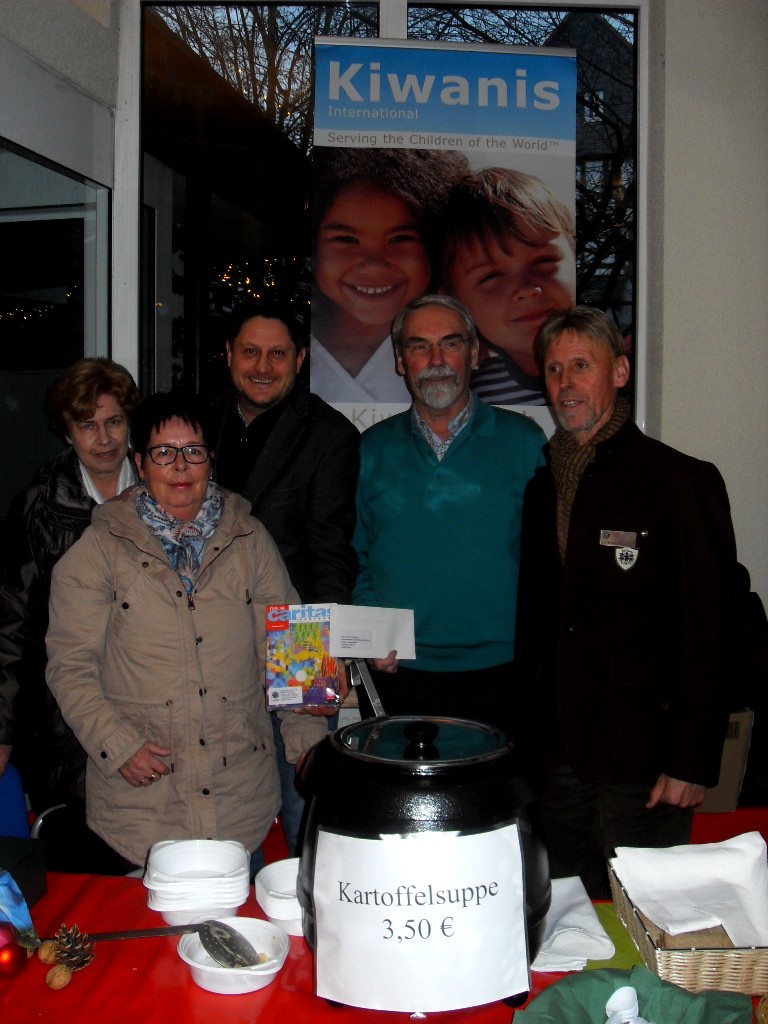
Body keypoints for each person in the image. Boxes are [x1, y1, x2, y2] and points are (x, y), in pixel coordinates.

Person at [45, 392, 327, 872]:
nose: (180, 466)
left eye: (193, 451)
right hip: (142, 808)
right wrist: (118, 744)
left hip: (239, 800)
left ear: (209, 461)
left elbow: (297, 647)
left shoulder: (250, 539)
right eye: (163, 453)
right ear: (140, 463)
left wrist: (308, 747)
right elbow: (69, 667)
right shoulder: (98, 549)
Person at [515, 305, 739, 898]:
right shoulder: (541, 489)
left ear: (619, 372)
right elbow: (537, 627)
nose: (565, 383)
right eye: (555, 369)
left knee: (639, 924)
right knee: (559, 915)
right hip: (560, 759)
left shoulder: (680, 483)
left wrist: (691, 761)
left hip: (645, 763)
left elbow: (711, 634)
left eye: (581, 365)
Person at [352, 294, 546, 735]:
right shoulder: (370, 449)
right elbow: (353, 552)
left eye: (451, 344)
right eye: (419, 346)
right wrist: (371, 629)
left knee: (492, 804)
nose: (436, 360)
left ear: (474, 354)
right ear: (401, 361)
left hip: (503, 670)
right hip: (397, 671)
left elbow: (546, 561)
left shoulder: (525, 443)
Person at [211, 301, 359, 855]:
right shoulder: (199, 423)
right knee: (224, 812)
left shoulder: (330, 435)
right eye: (250, 351)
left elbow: (330, 552)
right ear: (229, 356)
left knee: (304, 808)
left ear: (299, 360)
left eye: (278, 354)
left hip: (293, 640)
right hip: (210, 646)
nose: (263, 366)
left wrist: (327, 655)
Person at [0, 358, 140, 872]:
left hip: (147, 701)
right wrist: (2, 730)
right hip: (63, 718)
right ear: (67, 431)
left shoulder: (165, 493)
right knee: (82, 869)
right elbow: (11, 624)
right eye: (87, 425)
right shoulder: (37, 507)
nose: (103, 439)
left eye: (114, 421)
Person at [311, 147, 470, 403]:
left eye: (400, 239)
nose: (374, 265)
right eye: (346, 239)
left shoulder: (470, 348)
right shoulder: (293, 350)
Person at [441, 167, 576, 405]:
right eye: (491, 277)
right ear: (456, 304)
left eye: (544, 261)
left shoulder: (617, 379)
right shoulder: (471, 397)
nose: (526, 289)